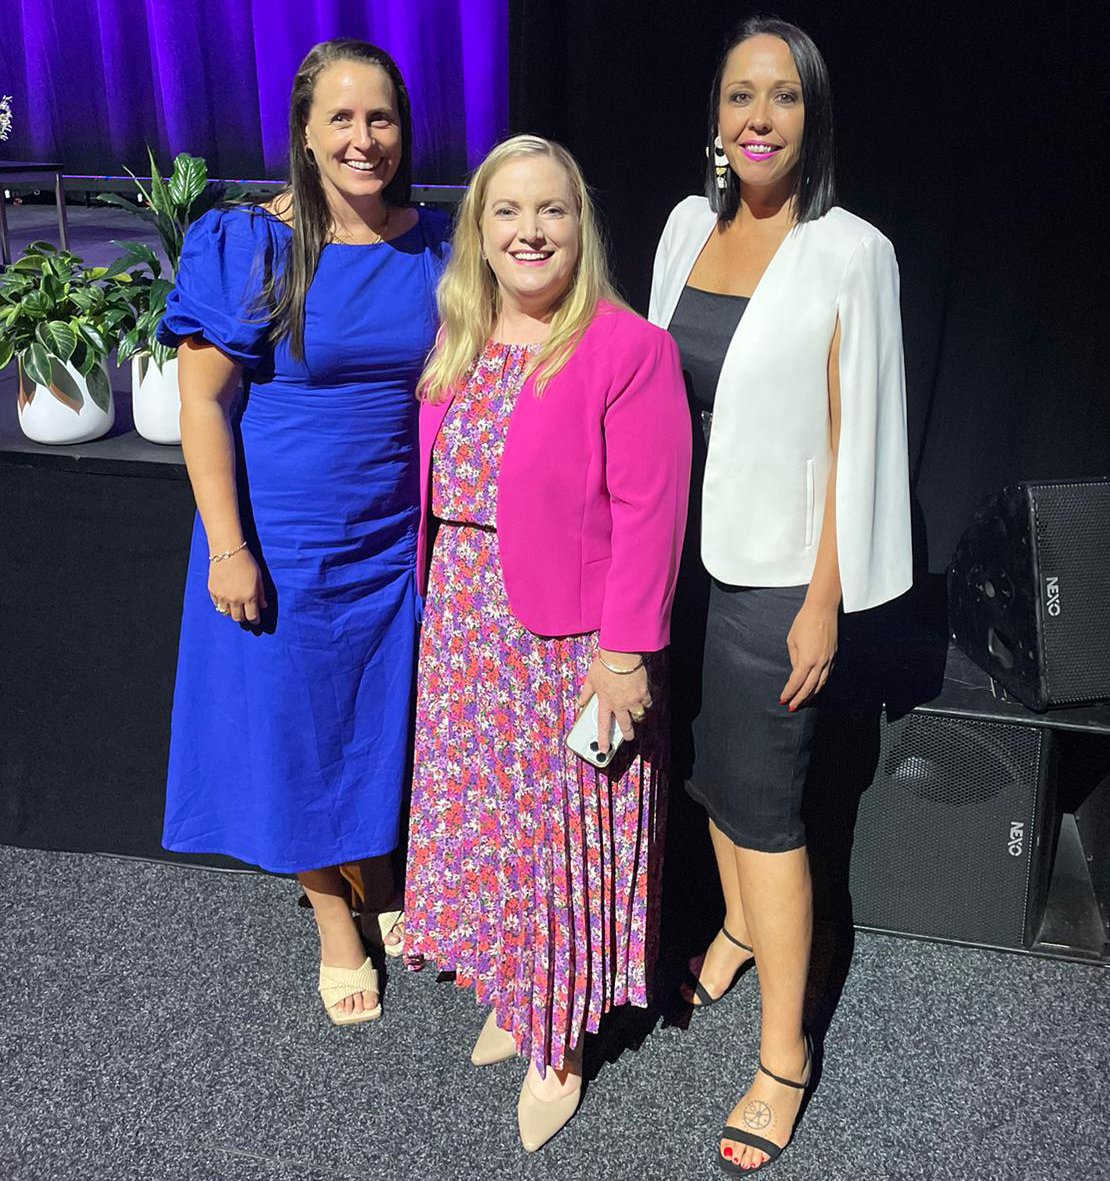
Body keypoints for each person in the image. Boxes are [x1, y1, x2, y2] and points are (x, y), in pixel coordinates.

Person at [648, 16, 912, 1174]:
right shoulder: (680, 227)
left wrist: (825, 599)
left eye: (783, 97)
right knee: (705, 768)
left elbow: (862, 440)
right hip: (677, 562)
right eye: (739, 95)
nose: (758, 117)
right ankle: (743, 928)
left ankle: (785, 1053)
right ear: (716, 116)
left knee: (767, 810)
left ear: (812, 118)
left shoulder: (851, 249)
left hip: (771, 580)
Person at [402, 134, 690, 1152]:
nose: (530, 231)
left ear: (583, 224)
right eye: (507, 212)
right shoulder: (460, 338)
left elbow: (653, 514)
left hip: (565, 643)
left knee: (560, 839)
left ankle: (558, 1036)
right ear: (479, 231)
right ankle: (520, 985)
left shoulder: (627, 349)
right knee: (494, 833)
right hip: (469, 629)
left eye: (552, 211)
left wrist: (625, 655)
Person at [159, 39, 449, 1026]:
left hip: (392, 539)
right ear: (306, 133)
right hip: (279, 542)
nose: (365, 139)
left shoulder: (439, 247)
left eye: (382, 119)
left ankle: (379, 877)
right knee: (292, 728)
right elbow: (203, 402)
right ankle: (335, 916)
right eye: (342, 118)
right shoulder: (253, 243)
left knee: (375, 720)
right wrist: (229, 545)